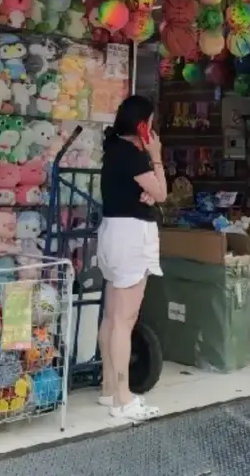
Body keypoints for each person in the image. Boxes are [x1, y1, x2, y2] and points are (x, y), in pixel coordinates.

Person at [96, 94, 167, 422]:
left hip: (113, 234)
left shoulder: (114, 151)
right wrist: (156, 157)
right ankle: (123, 399)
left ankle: (109, 388)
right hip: (132, 238)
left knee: (112, 317)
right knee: (124, 320)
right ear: (142, 125)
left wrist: (147, 192)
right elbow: (162, 193)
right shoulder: (134, 155)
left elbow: (144, 192)